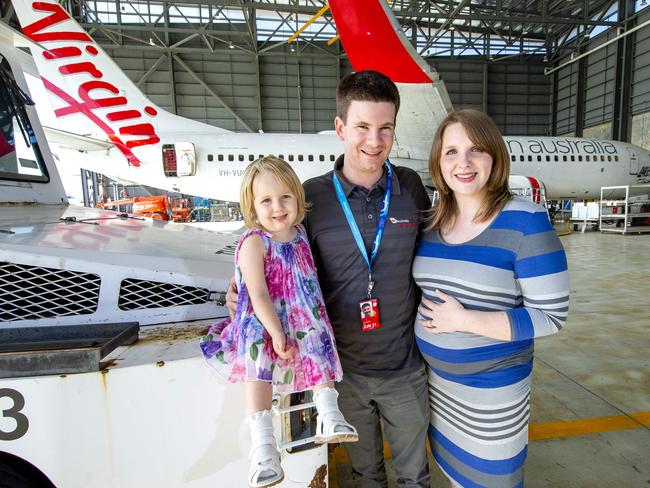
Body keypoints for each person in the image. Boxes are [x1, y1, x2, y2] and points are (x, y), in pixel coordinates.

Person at [228, 71, 432, 487]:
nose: (374, 141)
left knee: (415, 475)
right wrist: (241, 290)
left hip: (405, 367)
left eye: (385, 128)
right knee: (365, 473)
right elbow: (275, 255)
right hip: (343, 373)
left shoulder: (410, 186)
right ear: (340, 128)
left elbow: (438, 251)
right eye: (361, 127)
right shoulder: (311, 198)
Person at [413, 109, 569, 487]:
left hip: (492, 393)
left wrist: (465, 322)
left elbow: (551, 316)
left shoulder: (525, 221)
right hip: (439, 388)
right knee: (454, 475)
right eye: (451, 151)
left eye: (476, 150)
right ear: (438, 161)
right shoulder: (433, 221)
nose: (462, 163)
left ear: (494, 157)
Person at [201, 156, 358, 488]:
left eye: (285, 196)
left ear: (297, 200)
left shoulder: (299, 234)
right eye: (266, 200)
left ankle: (329, 414)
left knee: (316, 333)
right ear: (253, 206)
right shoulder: (254, 242)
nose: (277, 207)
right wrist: (275, 332)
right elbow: (257, 293)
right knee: (257, 358)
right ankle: (263, 446)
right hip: (263, 320)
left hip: (299, 314)